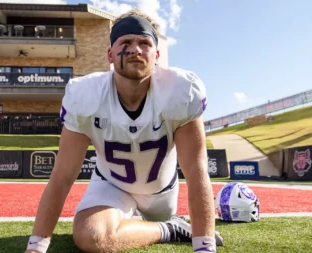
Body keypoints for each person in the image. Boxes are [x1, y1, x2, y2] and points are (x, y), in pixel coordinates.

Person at [26, 10, 223, 253]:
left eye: (144, 43)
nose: (135, 50)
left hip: (160, 195)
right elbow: (63, 175)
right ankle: (169, 229)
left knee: (151, 213)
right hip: (111, 185)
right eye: (126, 43)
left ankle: (158, 222)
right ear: (110, 54)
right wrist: (37, 246)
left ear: (156, 55)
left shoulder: (180, 91)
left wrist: (205, 247)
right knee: (92, 237)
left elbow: (196, 169)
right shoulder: (85, 95)